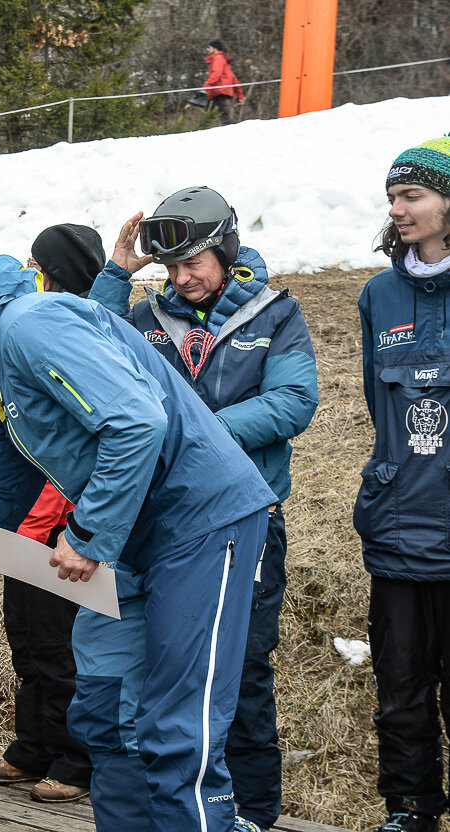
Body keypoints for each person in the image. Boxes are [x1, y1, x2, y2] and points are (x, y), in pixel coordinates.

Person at [0, 261, 276, 832]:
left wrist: (86, 537)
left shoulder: (31, 325)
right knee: (106, 717)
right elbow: (2, 502)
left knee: (176, 725)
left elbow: (136, 422)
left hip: (199, 523)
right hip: (132, 541)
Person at [89, 186, 319, 832]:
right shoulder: (143, 318)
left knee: (240, 668)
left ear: (227, 250)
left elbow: (294, 402)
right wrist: (116, 275)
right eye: (172, 268)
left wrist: (196, 430)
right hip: (159, 531)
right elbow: (90, 349)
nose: (183, 279)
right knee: (166, 676)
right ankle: (186, 808)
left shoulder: (277, 314)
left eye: (195, 264)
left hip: (244, 524)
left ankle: (254, 811)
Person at [0, 224, 104, 804]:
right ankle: (31, 746)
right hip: (29, 521)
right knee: (26, 642)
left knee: (62, 650)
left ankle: (75, 760)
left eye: (38, 263)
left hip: (69, 525)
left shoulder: (73, 336)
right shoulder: (27, 335)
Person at [354, 136, 450, 832]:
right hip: (397, 525)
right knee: (401, 687)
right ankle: (410, 809)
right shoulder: (378, 294)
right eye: (394, 198)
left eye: (413, 195)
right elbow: (377, 406)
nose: (399, 208)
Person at [204, 39, 245, 125]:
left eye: (208, 47)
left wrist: (205, 87)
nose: (206, 49)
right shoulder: (222, 59)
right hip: (216, 91)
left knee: (224, 116)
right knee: (208, 112)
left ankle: (236, 128)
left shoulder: (218, 58)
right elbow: (233, 78)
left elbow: (216, 74)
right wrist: (240, 94)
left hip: (218, 91)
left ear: (215, 48)